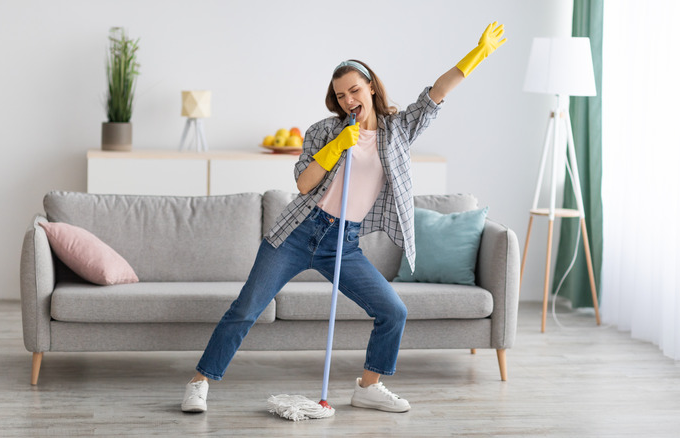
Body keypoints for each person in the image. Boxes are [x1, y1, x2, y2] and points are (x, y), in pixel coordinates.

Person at [182, 22, 506, 414]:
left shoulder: (398, 129)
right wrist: (337, 146)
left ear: (371, 87)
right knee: (245, 309)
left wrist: (477, 54)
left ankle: (369, 387)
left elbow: (436, 93)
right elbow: (304, 184)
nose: (349, 98)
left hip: (344, 242)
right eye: (341, 95)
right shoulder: (324, 131)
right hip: (297, 233)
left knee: (393, 311)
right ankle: (200, 382)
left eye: (355, 89)